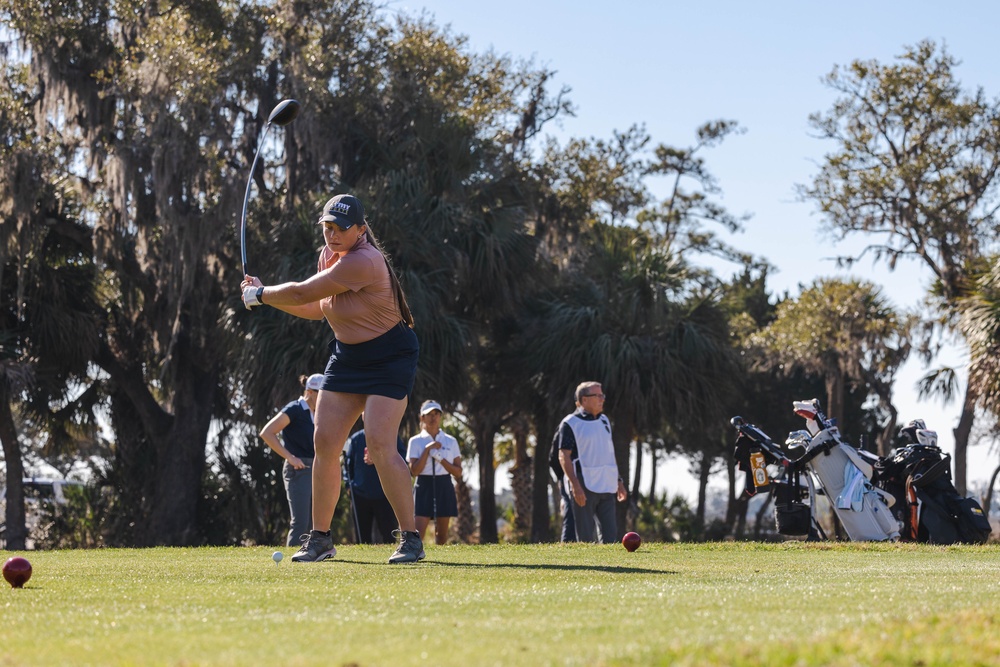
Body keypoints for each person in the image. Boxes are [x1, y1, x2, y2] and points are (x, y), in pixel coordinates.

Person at [241, 193, 424, 564]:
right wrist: (263, 294)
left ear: (360, 229)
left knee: (380, 442)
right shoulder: (329, 256)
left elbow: (303, 291)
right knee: (324, 442)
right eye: (327, 227)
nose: (333, 234)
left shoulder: (365, 261)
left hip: (390, 358)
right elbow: (314, 306)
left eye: (341, 228)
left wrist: (259, 294)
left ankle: (411, 539)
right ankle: (320, 539)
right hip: (347, 358)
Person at [554, 381, 627, 543]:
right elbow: (563, 456)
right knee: (585, 538)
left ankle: (613, 567)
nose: (602, 399)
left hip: (607, 484)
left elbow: (609, 454)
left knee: (610, 537)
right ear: (584, 400)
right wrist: (575, 485)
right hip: (583, 482)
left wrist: (618, 481)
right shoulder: (570, 423)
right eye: (598, 396)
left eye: (603, 395)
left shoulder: (604, 421)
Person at [258, 373, 324, 547]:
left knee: (313, 523)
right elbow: (267, 432)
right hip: (298, 469)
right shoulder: (294, 409)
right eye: (321, 394)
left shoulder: (316, 413)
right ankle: (293, 564)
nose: (324, 398)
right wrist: (290, 457)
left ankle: (309, 558)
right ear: (309, 392)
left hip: (314, 468)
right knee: (300, 522)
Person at [406, 400, 462, 545]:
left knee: (442, 536)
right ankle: (415, 554)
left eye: (436, 414)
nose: (433, 417)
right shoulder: (415, 441)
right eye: (429, 414)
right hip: (424, 484)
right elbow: (415, 471)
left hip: (444, 484)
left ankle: (441, 564)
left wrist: (440, 458)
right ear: (422, 417)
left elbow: (458, 471)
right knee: (418, 533)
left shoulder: (450, 441)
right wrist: (427, 450)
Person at [344, 427, 407, 544]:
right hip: (360, 494)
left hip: (384, 495)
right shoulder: (355, 439)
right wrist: (348, 485)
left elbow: (401, 459)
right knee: (362, 538)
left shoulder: (391, 436)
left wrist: (380, 458)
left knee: (389, 536)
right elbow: (348, 465)